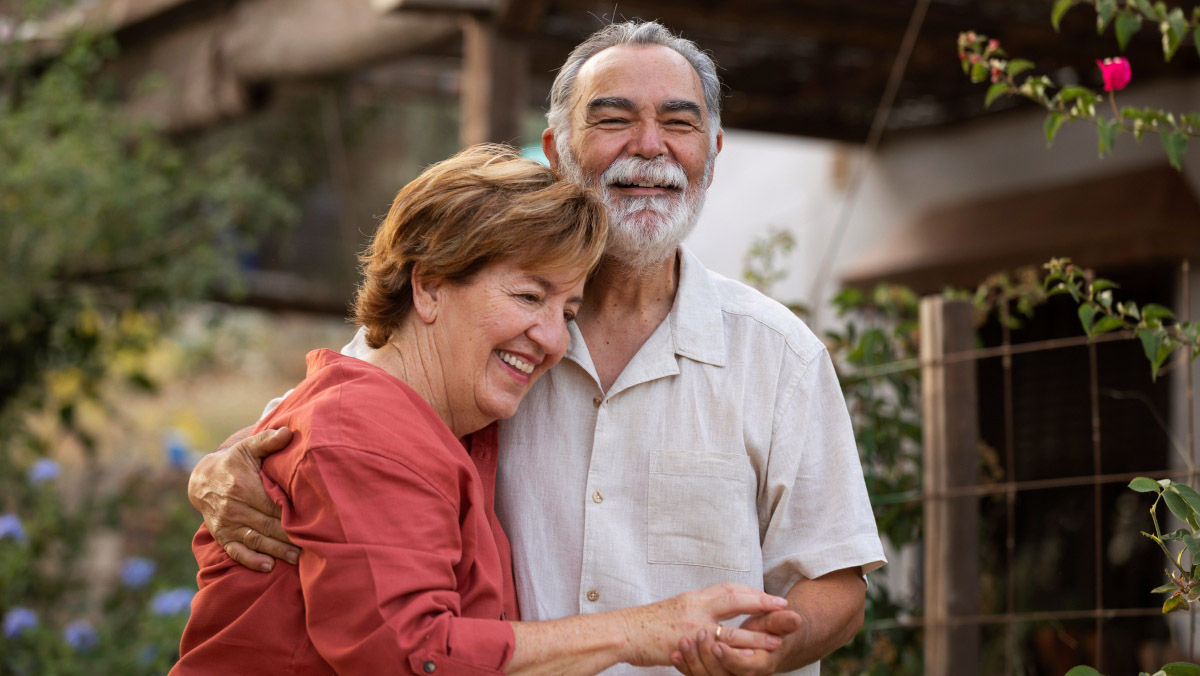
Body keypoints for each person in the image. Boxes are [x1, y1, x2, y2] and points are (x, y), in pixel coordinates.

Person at [189, 21, 886, 676]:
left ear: (712, 152)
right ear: (555, 150)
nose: (650, 145)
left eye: (679, 122)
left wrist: (765, 646)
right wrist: (220, 468)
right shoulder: (473, 336)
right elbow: (335, 422)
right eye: (614, 119)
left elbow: (835, 583)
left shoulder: (779, 355)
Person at [172, 145, 796, 676]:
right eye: (528, 295)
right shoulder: (362, 428)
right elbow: (413, 656)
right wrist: (641, 631)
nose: (553, 338)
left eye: (569, 312)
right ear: (428, 285)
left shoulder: (455, 416)